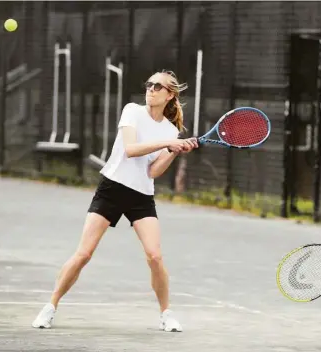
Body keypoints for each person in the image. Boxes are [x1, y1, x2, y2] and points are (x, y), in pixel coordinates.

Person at [32, 70, 199, 332]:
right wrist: (168, 142)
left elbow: (152, 171)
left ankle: (166, 314)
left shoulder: (169, 130)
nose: (151, 89)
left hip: (141, 195)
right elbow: (131, 150)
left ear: (169, 95)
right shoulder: (132, 111)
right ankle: (50, 307)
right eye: (149, 84)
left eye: (158, 86)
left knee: (155, 256)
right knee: (84, 254)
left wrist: (173, 150)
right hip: (112, 188)